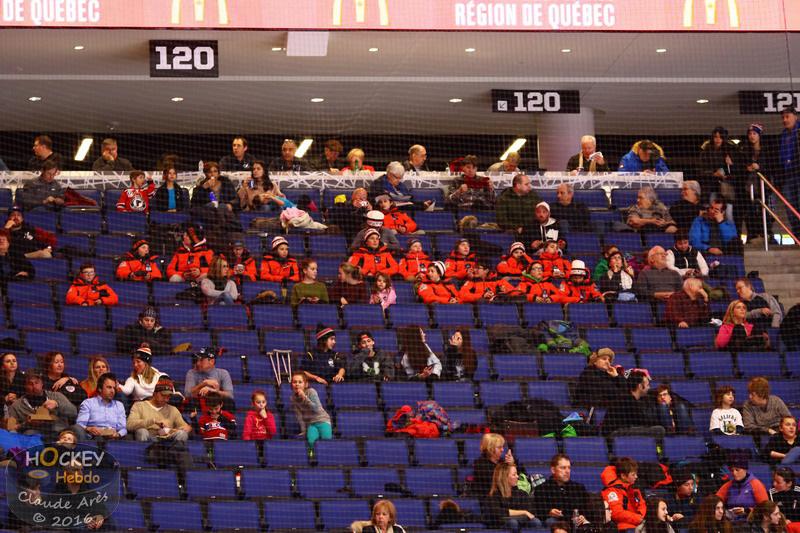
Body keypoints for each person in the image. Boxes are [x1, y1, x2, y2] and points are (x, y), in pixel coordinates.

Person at [8, 369, 77, 440]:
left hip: (60, 433)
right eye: (30, 384)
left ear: (42, 384)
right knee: (29, 433)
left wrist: (57, 404)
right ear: (25, 385)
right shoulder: (17, 405)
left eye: (37, 382)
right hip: (35, 434)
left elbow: (74, 412)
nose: (34, 386)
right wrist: (27, 423)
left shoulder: (57, 396)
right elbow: (11, 428)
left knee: (77, 429)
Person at [602, 371, 665, 438]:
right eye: (647, 385)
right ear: (640, 386)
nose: (649, 388)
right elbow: (643, 421)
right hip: (615, 433)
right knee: (659, 430)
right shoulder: (628, 399)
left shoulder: (630, 398)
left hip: (622, 430)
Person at [127, 376, 192, 441]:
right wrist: (153, 421)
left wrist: (186, 428)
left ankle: (174, 450)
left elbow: (185, 426)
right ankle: (144, 450)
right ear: (155, 393)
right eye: (163, 395)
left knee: (182, 434)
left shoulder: (173, 410)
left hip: (168, 441)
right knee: (142, 431)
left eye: (168, 397)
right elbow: (129, 425)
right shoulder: (139, 406)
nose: (166, 399)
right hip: (149, 438)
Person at [533, 454, 590, 527]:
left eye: (569, 468)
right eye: (563, 468)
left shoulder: (578, 488)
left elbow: (587, 509)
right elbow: (539, 512)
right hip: (556, 523)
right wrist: (549, 512)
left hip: (576, 524)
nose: (567, 471)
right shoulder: (542, 489)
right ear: (553, 470)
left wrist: (583, 516)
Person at [483, 462, 541, 531]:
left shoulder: (521, 493)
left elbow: (531, 511)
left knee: (536, 522)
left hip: (521, 521)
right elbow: (497, 512)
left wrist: (523, 513)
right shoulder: (493, 495)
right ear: (505, 477)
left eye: (516, 474)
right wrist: (523, 512)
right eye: (514, 475)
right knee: (513, 523)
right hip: (501, 525)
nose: (517, 476)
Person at [74, 372, 127, 441]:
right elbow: (79, 425)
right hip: (93, 438)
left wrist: (118, 434)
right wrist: (89, 428)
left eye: (114, 388)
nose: (112, 391)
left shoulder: (119, 405)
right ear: (100, 389)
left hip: (113, 439)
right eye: (109, 387)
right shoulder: (88, 403)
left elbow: (123, 428)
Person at [738, 124, 767, 244]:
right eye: (750, 134)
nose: (751, 136)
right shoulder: (745, 150)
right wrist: (747, 168)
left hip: (763, 187)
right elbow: (740, 166)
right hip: (748, 186)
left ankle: (765, 234)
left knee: (763, 211)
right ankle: (752, 235)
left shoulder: (766, 150)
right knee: (749, 211)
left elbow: (772, 166)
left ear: (759, 135)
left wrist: (760, 167)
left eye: (754, 133)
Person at [716, 455, 769, 520]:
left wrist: (747, 511)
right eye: (732, 470)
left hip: (750, 523)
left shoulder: (756, 485)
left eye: (737, 470)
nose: (734, 473)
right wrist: (724, 512)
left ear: (745, 469)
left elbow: (766, 508)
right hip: (729, 523)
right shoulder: (728, 485)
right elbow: (714, 501)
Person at [601, 457, 647, 531]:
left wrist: (640, 516)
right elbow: (616, 513)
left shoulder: (634, 488)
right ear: (623, 476)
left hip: (638, 524)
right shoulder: (612, 491)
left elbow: (642, 504)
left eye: (636, 474)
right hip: (623, 527)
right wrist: (637, 518)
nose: (636, 477)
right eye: (633, 474)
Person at [289, 370, 332, 448]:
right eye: (294, 382)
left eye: (300, 382)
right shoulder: (293, 398)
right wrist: (303, 430)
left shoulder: (311, 392)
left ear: (306, 384)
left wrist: (304, 397)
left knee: (326, 442)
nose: (297, 384)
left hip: (322, 420)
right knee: (311, 442)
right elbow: (299, 416)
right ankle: (311, 457)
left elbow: (316, 409)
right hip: (311, 424)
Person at [776, 108, 800, 238]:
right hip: (789, 176)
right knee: (791, 209)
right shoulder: (784, 135)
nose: (785, 120)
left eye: (787, 116)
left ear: (795, 117)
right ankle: (797, 236)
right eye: (783, 117)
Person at [699, 126, 738, 202]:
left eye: (720, 137)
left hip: (726, 188)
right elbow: (701, 170)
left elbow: (737, 171)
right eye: (716, 137)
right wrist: (713, 174)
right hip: (711, 187)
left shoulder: (730, 151)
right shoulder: (706, 152)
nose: (718, 139)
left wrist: (731, 164)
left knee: (728, 212)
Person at [471, 433, 515, 497]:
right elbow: (498, 482)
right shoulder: (481, 465)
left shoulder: (502, 461)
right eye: (499, 447)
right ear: (490, 448)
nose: (502, 450)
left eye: (502, 447)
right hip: (490, 498)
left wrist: (511, 464)